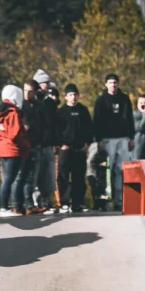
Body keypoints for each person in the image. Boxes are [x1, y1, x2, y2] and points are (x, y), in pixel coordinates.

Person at [93, 73, 135, 211]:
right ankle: (105, 201)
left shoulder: (124, 99)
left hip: (123, 138)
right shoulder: (101, 101)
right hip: (107, 139)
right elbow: (96, 121)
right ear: (106, 84)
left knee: (120, 170)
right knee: (106, 171)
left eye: (115, 82)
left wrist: (131, 137)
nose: (113, 85)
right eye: (110, 82)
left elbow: (130, 118)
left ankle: (119, 200)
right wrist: (99, 140)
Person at [0, 85, 39, 217]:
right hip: (13, 149)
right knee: (10, 179)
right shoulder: (13, 113)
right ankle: (4, 207)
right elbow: (15, 134)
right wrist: (26, 144)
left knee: (7, 179)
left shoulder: (0, 112)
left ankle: (4, 206)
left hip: (3, 147)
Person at [57, 84, 94, 213]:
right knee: (64, 176)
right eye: (70, 95)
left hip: (80, 148)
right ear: (66, 96)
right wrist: (61, 144)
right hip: (66, 149)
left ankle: (78, 203)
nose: (73, 97)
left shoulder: (83, 110)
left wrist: (87, 144)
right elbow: (57, 129)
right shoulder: (61, 111)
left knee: (79, 177)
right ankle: (64, 203)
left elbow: (90, 128)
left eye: (75, 94)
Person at [21, 79, 54, 213]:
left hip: (36, 145)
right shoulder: (21, 106)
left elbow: (44, 126)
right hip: (23, 146)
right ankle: (23, 203)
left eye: (30, 91)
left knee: (35, 177)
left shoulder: (39, 106)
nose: (27, 94)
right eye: (25, 91)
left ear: (35, 92)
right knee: (23, 176)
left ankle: (32, 204)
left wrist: (41, 142)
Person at [32, 69, 59, 209]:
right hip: (36, 145)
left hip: (49, 144)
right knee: (35, 175)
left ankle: (46, 202)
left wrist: (56, 142)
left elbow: (55, 124)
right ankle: (34, 202)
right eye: (45, 83)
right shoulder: (32, 102)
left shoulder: (50, 103)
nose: (48, 85)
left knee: (48, 175)